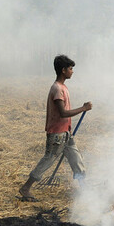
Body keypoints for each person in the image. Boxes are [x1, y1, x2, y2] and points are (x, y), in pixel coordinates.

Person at [18, 54, 92, 201]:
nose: (72, 71)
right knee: (48, 160)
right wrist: (83, 108)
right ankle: (26, 188)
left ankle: (84, 189)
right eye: (71, 68)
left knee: (76, 158)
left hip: (65, 133)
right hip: (57, 135)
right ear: (63, 70)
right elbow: (63, 113)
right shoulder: (57, 89)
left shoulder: (63, 87)